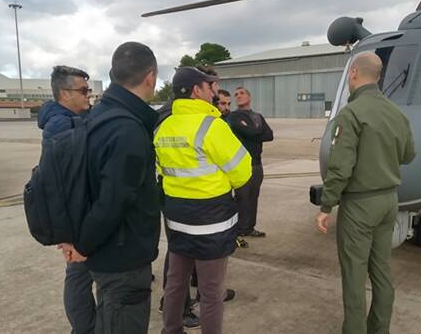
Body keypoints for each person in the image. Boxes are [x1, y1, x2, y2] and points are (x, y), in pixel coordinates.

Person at [61, 41, 162, 334]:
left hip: (107, 256)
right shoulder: (128, 128)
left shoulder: (99, 115)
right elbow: (112, 201)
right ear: (150, 77)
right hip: (123, 259)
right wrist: (83, 245)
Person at [315, 51, 416, 334]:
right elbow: (409, 155)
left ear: (355, 74)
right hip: (389, 201)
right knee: (382, 271)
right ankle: (379, 329)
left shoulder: (352, 113)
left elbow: (340, 168)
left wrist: (326, 207)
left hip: (360, 204)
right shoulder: (396, 112)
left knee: (354, 275)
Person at [155, 66, 252, 334]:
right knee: (211, 292)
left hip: (177, 221)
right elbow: (243, 172)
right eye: (210, 87)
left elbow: (163, 172)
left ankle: (171, 329)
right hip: (212, 223)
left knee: (176, 282)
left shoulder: (164, 126)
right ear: (196, 91)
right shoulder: (212, 126)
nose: (214, 92)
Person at [38, 65, 94, 334]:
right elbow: (57, 186)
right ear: (64, 93)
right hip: (76, 220)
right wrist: (67, 236)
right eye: (82, 90)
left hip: (81, 214)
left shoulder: (73, 119)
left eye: (88, 89)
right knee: (79, 277)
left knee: (79, 277)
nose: (88, 95)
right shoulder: (61, 126)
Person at [229, 87, 273, 238]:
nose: (238, 96)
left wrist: (253, 131)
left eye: (241, 93)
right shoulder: (233, 116)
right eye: (236, 94)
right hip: (242, 165)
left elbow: (270, 135)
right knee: (242, 198)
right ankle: (238, 230)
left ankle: (249, 227)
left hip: (257, 164)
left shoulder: (257, 116)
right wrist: (256, 131)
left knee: (253, 197)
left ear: (249, 96)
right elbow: (250, 132)